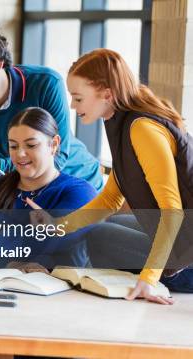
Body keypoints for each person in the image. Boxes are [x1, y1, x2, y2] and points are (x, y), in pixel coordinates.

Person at [29, 48, 193, 305]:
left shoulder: (142, 129)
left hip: (188, 253)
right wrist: (57, 227)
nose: (72, 106)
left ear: (106, 94)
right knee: (106, 226)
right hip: (183, 236)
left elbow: (172, 212)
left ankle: (144, 284)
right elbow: (109, 200)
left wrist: (149, 279)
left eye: (78, 98)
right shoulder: (120, 122)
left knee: (98, 235)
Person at [0, 22, 102, 190]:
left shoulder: (46, 84)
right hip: (23, 191)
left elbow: (56, 157)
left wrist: (2, 165)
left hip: (79, 182)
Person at [0, 107, 97, 271]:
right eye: (13, 146)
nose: (20, 154)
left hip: (58, 293)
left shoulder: (81, 193)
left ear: (54, 144)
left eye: (31, 145)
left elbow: (48, 243)